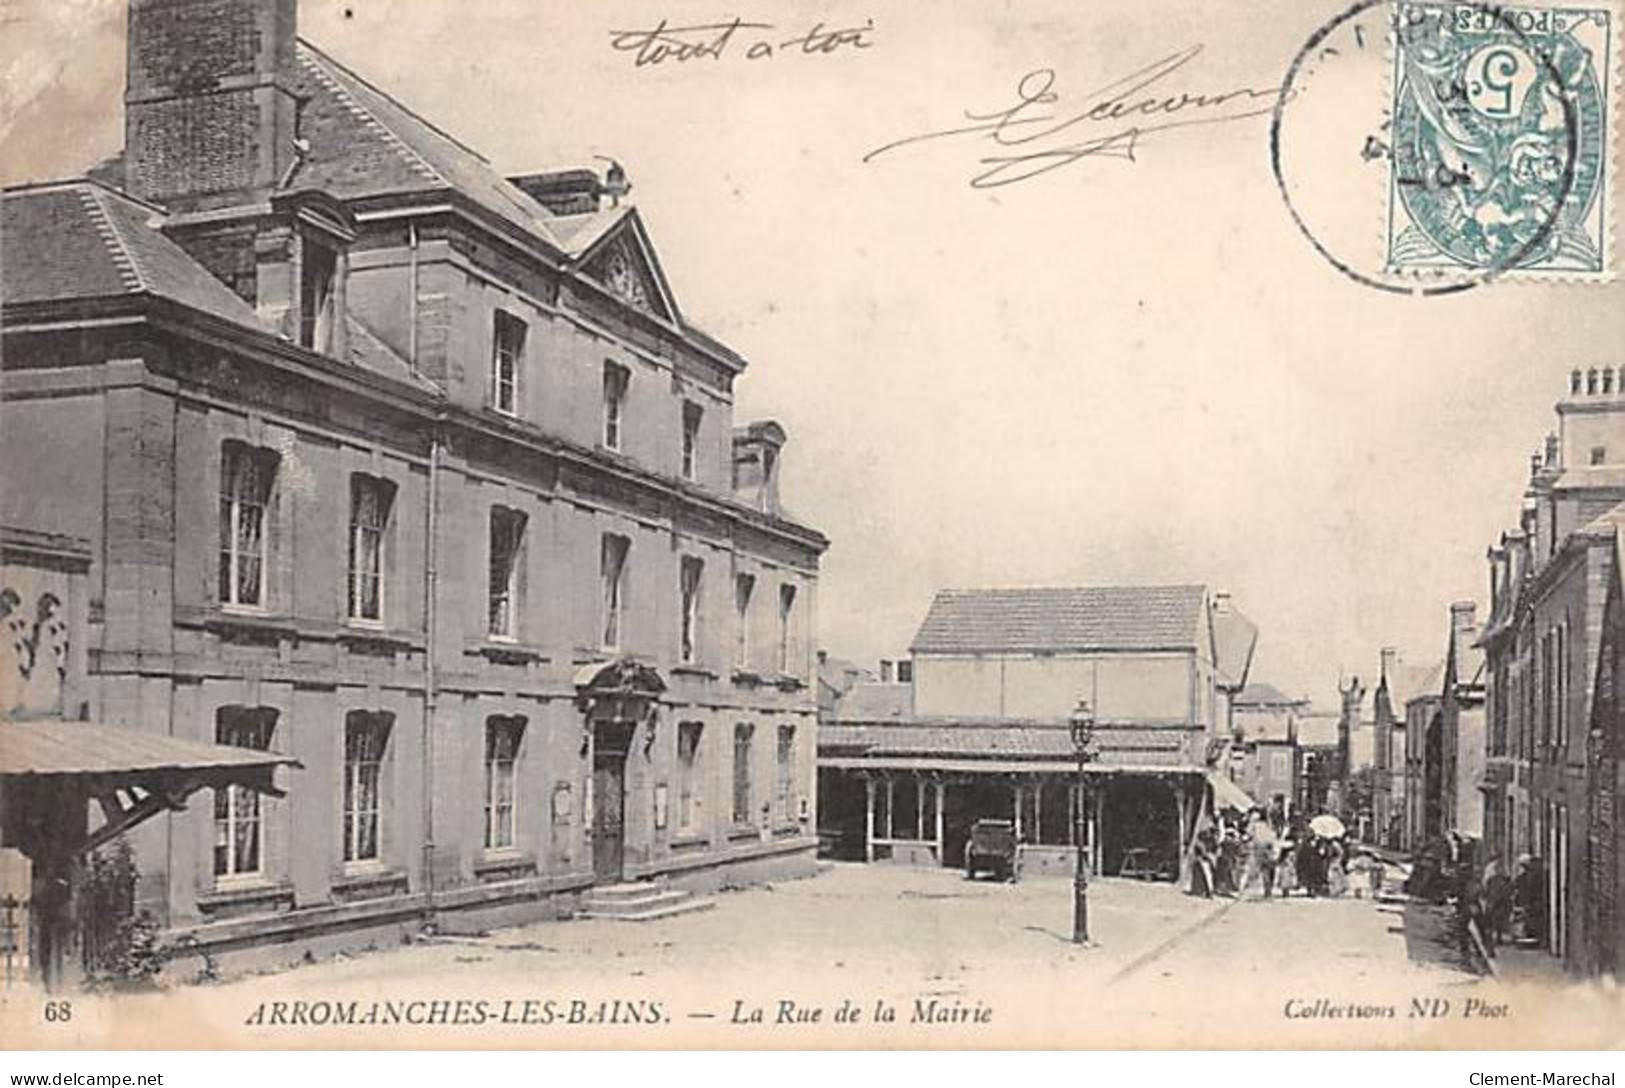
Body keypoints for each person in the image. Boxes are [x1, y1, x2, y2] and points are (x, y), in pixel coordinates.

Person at [1189, 828, 1216, 898]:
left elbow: (1213, 850)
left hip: (1207, 861)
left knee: (1209, 876)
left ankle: (1209, 891)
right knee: (1207, 876)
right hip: (1202, 861)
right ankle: (1208, 892)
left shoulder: (1211, 842)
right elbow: (1203, 853)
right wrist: (1209, 856)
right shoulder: (1199, 843)